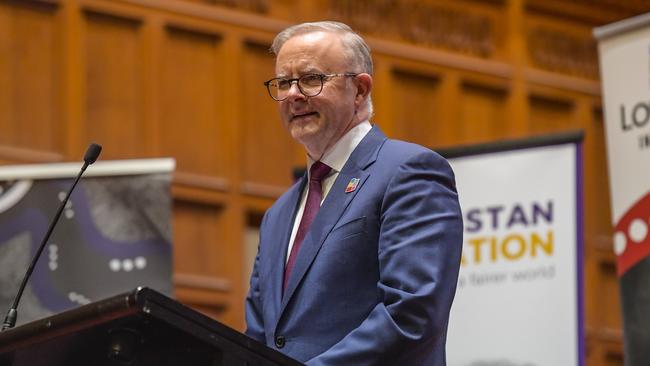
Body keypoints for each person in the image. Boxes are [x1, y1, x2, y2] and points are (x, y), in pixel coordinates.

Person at [245, 21, 463, 366]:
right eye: (283, 83)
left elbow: (411, 312)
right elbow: (259, 337)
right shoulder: (278, 214)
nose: (292, 95)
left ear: (360, 90)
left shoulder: (408, 171)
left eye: (311, 79)